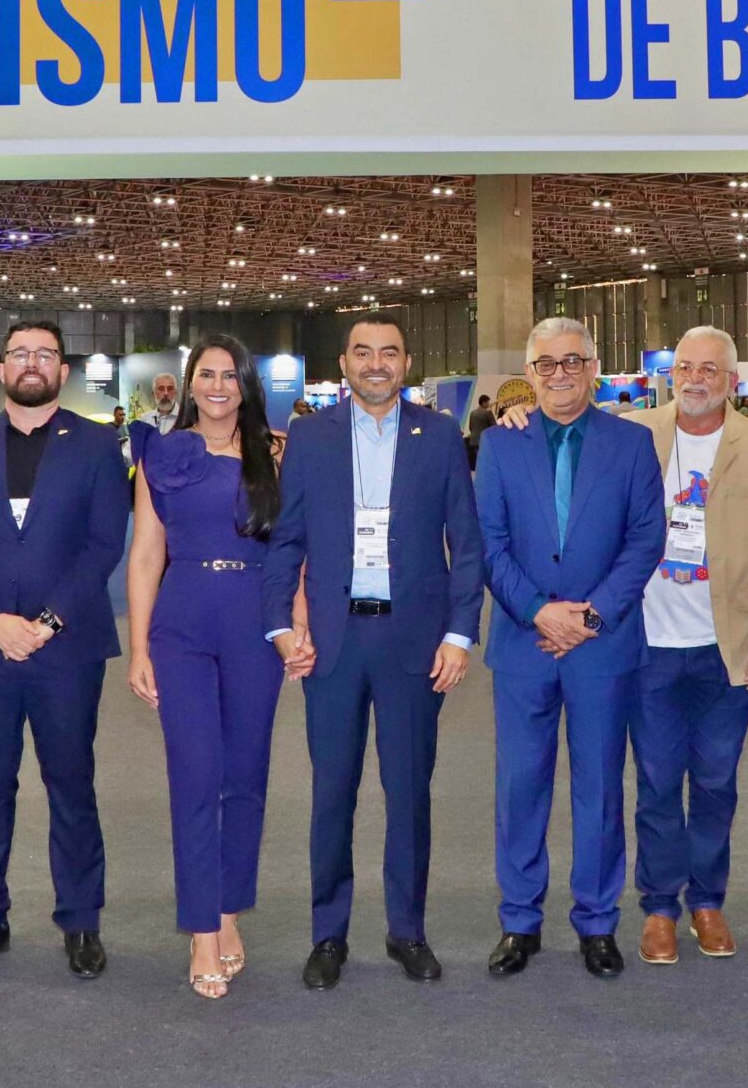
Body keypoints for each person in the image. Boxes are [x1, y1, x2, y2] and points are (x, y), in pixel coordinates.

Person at [262, 316, 482, 991]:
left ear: (407, 361)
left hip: (413, 641)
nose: (377, 363)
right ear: (344, 362)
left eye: (389, 351)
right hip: (332, 639)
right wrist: (280, 625)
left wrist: (459, 632)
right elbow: (288, 538)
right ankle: (328, 932)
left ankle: (406, 930)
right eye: (364, 352)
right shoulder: (309, 435)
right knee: (331, 793)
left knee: (408, 791)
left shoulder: (440, 435)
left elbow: (467, 544)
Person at [0, 320, 130, 980]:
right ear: (1, 368)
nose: (33, 363)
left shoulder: (98, 444)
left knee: (71, 782)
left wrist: (44, 620)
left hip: (65, 646)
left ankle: (80, 919)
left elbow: (103, 545)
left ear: (63, 371)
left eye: (46, 354)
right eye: (21, 353)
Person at [474, 317, 665, 979]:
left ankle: (597, 921)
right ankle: (519, 920)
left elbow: (645, 539)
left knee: (600, 786)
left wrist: (589, 614)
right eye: (546, 363)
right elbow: (488, 544)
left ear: (595, 365)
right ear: (529, 372)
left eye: (572, 361)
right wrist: (536, 610)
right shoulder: (501, 446)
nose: (560, 373)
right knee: (519, 787)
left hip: (601, 646)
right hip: (523, 644)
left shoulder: (632, 443)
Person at [125, 339, 294, 999]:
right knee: (196, 775)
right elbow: (144, 557)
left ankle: (228, 914)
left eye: (230, 374)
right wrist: (139, 647)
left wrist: (296, 623)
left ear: (245, 384)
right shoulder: (160, 456)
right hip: (184, 624)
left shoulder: (275, 452)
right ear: (189, 384)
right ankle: (201, 931)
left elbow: (294, 550)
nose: (219, 385)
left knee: (246, 775)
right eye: (208, 374)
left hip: (256, 621)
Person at [625, 327, 748, 965]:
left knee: (718, 781)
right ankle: (660, 907)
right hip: (649, 644)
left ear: (731, 379)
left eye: (709, 370)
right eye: (685, 367)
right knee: (658, 780)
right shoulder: (635, 433)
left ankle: (707, 901)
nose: (694, 379)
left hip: (730, 648)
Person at [128, 370, 181, 471]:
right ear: (154, 393)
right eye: (161, 389)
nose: (166, 393)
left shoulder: (186, 419)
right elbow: (130, 451)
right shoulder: (144, 420)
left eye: (170, 389)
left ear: (175, 392)